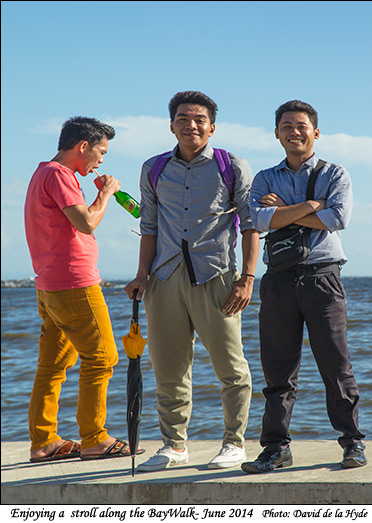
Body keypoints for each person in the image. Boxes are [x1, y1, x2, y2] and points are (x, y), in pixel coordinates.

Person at [125, 91, 260, 471]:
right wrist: (141, 275)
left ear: (212, 126)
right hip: (164, 278)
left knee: (231, 367)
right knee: (168, 368)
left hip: (217, 276)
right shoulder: (153, 168)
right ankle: (173, 445)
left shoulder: (231, 165)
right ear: (171, 125)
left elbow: (250, 226)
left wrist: (247, 279)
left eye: (199, 119)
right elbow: (149, 226)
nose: (191, 125)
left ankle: (234, 443)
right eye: (183, 119)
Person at [241, 100, 367, 474]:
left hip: (321, 277)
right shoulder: (264, 177)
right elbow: (258, 219)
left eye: (301, 125)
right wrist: (311, 205)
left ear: (315, 132)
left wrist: (286, 211)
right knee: (278, 371)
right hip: (277, 280)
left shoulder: (336, 172)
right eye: (286, 126)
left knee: (336, 365)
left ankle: (352, 443)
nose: (294, 131)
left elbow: (338, 217)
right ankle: (276, 448)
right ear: (276, 133)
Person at [25, 116, 140, 462]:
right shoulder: (60, 175)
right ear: (83, 147)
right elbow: (86, 222)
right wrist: (105, 194)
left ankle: (43, 441)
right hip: (74, 282)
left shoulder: (41, 173)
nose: (101, 161)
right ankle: (94, 438)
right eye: (101, 152)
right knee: (103, 357)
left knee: (53, 364)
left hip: (49, 284)